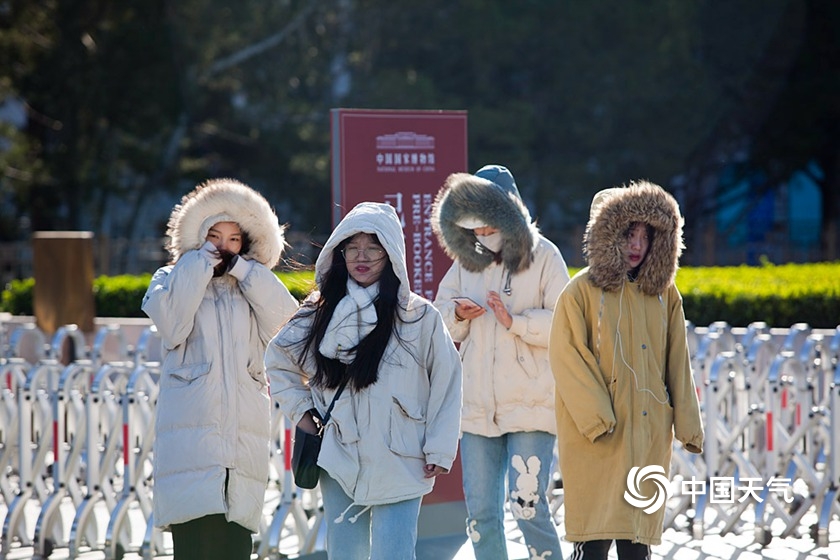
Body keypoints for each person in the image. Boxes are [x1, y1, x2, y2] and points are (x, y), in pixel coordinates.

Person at [264, 201, 462, 560]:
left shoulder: (418, 317)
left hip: (403, 456)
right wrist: (304, 413)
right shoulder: (317, 311)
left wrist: (439, 448)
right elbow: (277, 360)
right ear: (339, 252)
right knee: (346, 555)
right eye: (352, 246)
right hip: (339, 454)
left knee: (396, 555)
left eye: (373, 246)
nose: (362, 256)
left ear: (391, 254)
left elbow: (447, 383)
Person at [141, 178, 299, 560]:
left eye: (233, 240)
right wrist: (196, 266)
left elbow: (288, 326)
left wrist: (248, 273)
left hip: (242, 442)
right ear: (197, 236)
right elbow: (173, 326)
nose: (222, 247)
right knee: (194, 543)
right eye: (213, 235)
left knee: (234, 544)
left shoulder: (253, 287)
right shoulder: (169, 279)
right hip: (191, 444)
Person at [548, 181, 704, 559]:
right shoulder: (579, 291)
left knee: (638, 544)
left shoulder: (665, 294)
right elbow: (567, 357)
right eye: (627, 234)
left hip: (648, 433)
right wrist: (598, 417)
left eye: (644, 236)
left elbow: (677, 362)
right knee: (594, 541)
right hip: (597, 438)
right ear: (605, 234)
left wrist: (687, 425)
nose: (636, 245)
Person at [431, 165, 569, 559]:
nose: (481, 236)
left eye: (488, 228)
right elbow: (438, 318)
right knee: (480, 515)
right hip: (476, 406)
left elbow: (567, 324)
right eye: (475, 229)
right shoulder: (466, 260)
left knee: (527, 507)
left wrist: (516, 323)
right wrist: (458, 314)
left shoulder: (544, 256)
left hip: (532, 404)